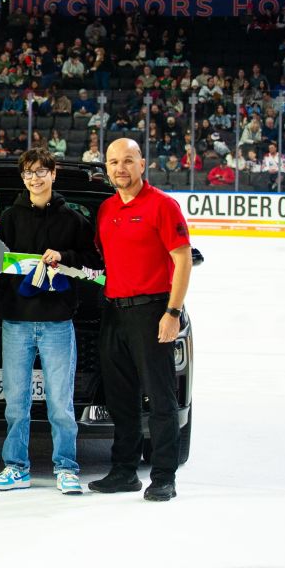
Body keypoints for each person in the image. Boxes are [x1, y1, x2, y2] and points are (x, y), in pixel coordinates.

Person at [0, 149, 98, 495]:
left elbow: (92, 261)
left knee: (60, 402)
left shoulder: (74, 219)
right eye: (29, 173)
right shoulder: (8, 218)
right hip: (16, 322)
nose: (35, 178)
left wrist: (65, 257)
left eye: (41, 171)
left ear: (53, 173)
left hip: (58, 323)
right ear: (22, 179)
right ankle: (16, 467)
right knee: (16, 402)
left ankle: (66, 467)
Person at [90, 139, 192, 502]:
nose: (120, 168)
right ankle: (124, 471)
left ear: (142, 163)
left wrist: (172, 312)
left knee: (161, 400)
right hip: (113, 312)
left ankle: (164, 476)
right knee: (121, 399)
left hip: (153, 312)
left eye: (128, 161)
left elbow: (182, 260)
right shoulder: (105, 209)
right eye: (114, 161)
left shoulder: (162, 206)